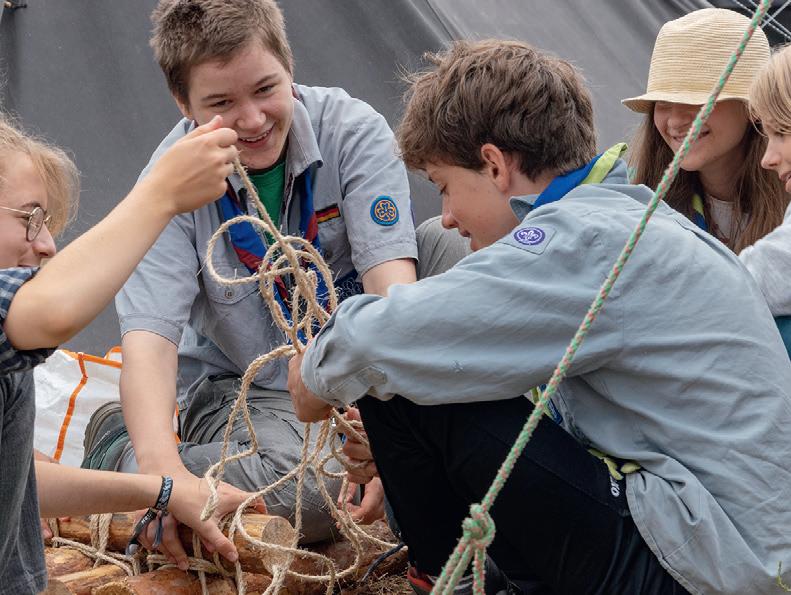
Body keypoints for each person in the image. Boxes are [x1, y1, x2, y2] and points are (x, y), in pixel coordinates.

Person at [286, 39, 791, 595]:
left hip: (704, 567)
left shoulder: (583, 239)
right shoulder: (625, 216)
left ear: (495, 165)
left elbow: (377, 340)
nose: (446, 217)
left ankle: (450, 583)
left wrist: (313, 376)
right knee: (422, 365)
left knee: (403, 368)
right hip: (725, 548)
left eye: (445, 187)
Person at [85, 0, 446, 558]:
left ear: (289, 66)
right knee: (318, 491)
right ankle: (119, 453)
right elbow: (148, 346)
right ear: (183, 104)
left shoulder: (351, 129)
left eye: (265, 89)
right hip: (252, 392)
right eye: (221, 103)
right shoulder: (165, 187)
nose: (252, 120)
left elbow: (391, 288)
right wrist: (160, 477)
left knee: (456, 244)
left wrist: (393, 430)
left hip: (355, 369)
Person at [0, 114, 267, 595]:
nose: (48, 244)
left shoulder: (12, 358)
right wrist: (161, 193)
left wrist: (164, 489)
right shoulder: (22, 321)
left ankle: (116, 443)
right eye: (31, 218)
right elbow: (52, 311)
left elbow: (21, 481)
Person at [624, 8, 791, 320]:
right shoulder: (634, 195)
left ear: (752, 107)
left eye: (696, 100)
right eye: (663, 102)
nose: (675, 121)